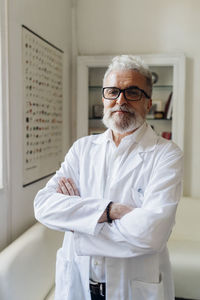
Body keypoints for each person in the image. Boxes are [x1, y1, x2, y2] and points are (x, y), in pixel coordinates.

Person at [34, 55, 183, 300]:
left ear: (148, 103)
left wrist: (78, 224)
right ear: (103, 99)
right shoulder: (82, 149)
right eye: (112, 92)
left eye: (132, 92)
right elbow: (43, 206)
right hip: (78, 280)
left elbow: (152, 233)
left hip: (132, 286)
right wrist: (111, 211)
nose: (120, 100)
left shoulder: (166, 154)